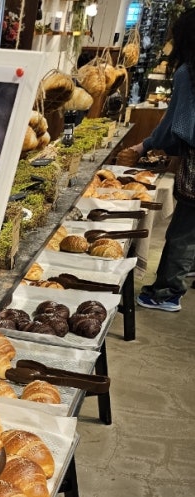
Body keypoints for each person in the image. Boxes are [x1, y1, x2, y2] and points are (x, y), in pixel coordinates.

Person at [130, 7, 195, 313]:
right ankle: (183, 273)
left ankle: (168, 292)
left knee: (184, 230)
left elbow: (176, 126)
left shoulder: (188, 73)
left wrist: (145, 145)